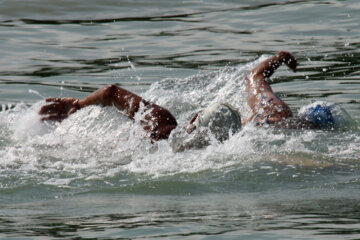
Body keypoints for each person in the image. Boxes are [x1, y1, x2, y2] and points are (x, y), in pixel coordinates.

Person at [39, 51, 351, 143]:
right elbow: (255, 78)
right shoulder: (271, 121)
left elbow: (110, 92)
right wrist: (280, 59)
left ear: (192, 121)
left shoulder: (165, 131)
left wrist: (75, 105)